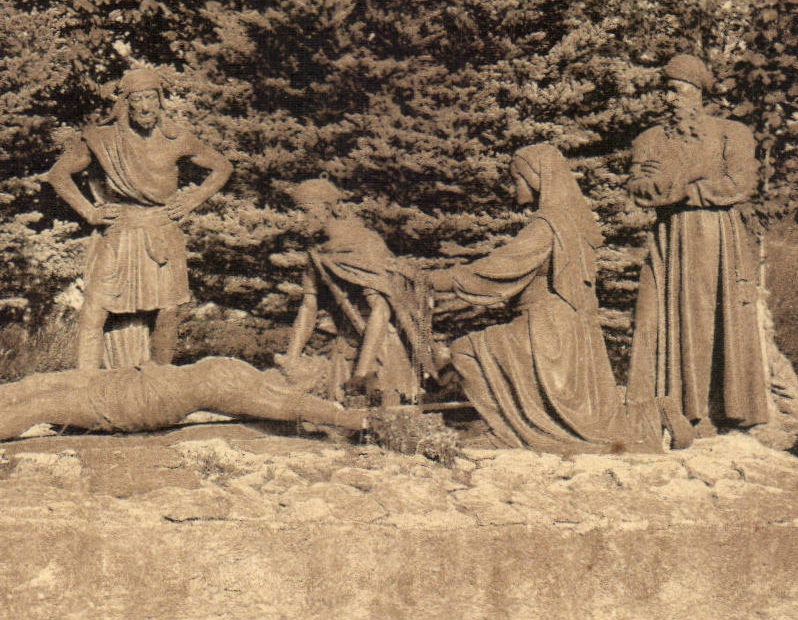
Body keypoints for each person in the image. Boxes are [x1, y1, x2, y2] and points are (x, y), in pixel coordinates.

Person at [428, 144, 691, 455]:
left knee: (464, 352)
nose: (514, 188)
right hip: (571, 328)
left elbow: (503, 266)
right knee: (584, 416)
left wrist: (439, 279)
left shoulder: (546, 225)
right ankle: (652, 414)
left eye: (517, 179)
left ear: (536, 178)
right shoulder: (572, 222)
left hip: (546, 329)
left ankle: (508, 433)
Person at [46, 67, 232, 369]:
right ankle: (84, 383)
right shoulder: (103, 140)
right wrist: (90, 212)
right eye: (138, 99)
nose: (145, 106)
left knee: (168, 311)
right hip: (121, 231)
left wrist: (192, 200)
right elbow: (59, 175)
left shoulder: (177, 139)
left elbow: (222, 167)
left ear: (160, 101)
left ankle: (159, 380)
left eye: (151, 98)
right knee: (96, 307)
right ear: (126, 103)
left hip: (162, 231)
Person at [625, 55, 770, 436]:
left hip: (717, 237)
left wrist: (681, 189)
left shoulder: (729, 133)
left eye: (677, 90)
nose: (669, 98)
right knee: (658, 314)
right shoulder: (651, 139)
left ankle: (719, 409)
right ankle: (674, 409)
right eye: (666, 90)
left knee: (711, 316)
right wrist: (674, 185)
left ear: (698, 93)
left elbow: (739, 182)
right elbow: (639, 187)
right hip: (669, 239)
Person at [0, 356, 367, 448]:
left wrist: (351, 419)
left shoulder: (253, 393)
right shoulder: (255, 376)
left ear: (308, 385)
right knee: (35, 387)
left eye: (311, 367)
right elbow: (295, 400)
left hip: (130, 408)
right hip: (125, 381)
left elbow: (298, 410)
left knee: (35, 410)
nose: (298, 358)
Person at [284, 179, 435, 404]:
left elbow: (381, 311)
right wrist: (291, 359)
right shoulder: (316, 253)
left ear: (326, 208)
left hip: (379, 347)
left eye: (303, 211)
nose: (297, 220)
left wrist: (361, 374)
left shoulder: (365, 242)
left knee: (388, 415)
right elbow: (308, 306)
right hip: (346, 347)